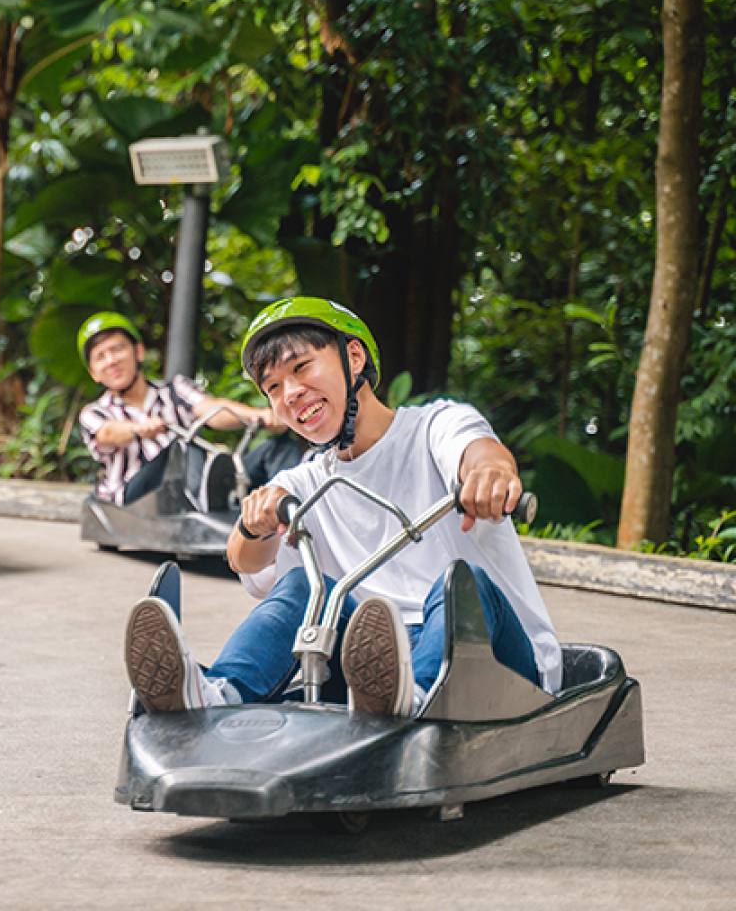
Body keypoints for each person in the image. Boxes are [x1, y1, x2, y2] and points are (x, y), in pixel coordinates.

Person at [123, 296, 561, 718]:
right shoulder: (306, 481)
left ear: (353, 358)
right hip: (374, 662)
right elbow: (241, 557)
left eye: (302, 368)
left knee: (460, 585)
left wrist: (490, 475)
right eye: (273, 387)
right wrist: (256, 523)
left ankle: (419, 697)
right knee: (299, 588)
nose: (290, 393)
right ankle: (218, 693)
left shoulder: (435, 426)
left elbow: (480, 452)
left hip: (501, 662)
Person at [76, 311, 301, 512]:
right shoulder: (94, 413)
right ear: (93, 372)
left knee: (277, 448)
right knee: (180, 447)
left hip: (195, 480)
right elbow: (107, 434)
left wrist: (259, 415)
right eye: (100, 356)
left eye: (117, 349)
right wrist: (138, 429)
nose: (112, 361)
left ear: (139, 351)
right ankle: (206, 500)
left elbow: (211, 410)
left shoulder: (175, 389)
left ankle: (294, 511)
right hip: (135, 496)